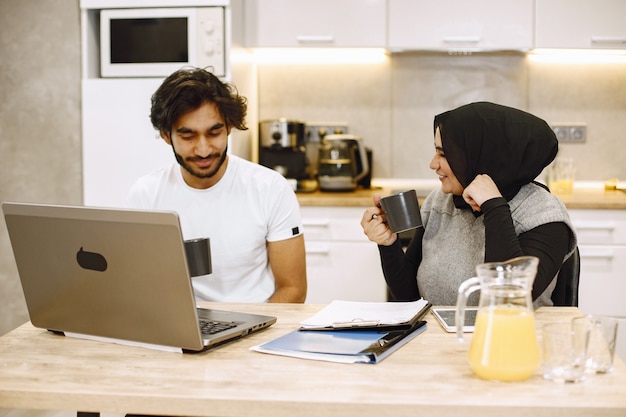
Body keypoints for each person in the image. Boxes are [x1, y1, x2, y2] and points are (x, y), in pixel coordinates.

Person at [361, 102, 577, 307]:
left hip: (514, 341)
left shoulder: (544, 215)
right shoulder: (440, 202)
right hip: (439, 340)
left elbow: (507, 301)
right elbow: (408, 296)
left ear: (484, 157)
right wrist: (389, 244)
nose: (433, 164)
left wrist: (494, 207)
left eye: (444, 154)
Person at [126, 67, 307, 303]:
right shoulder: (146, 194)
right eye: (188, 136)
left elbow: (293, 289)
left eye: (214, 132)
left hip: (258, 326)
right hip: (184, 329)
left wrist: (250, 334)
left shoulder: (270, 188)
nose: (203, 150)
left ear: (229, 126)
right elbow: (139, 285)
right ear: (166, 136)